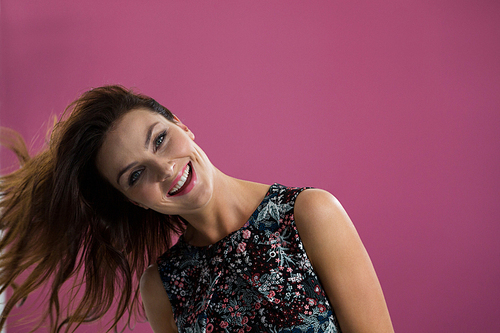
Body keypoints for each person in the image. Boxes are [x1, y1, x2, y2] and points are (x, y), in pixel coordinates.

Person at [0, 85, 394, 333]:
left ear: (182, 125)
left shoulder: (309, 214)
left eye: (159, 139)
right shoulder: (162, 287)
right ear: (134, 200)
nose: (165, 168)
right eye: (136, 175)